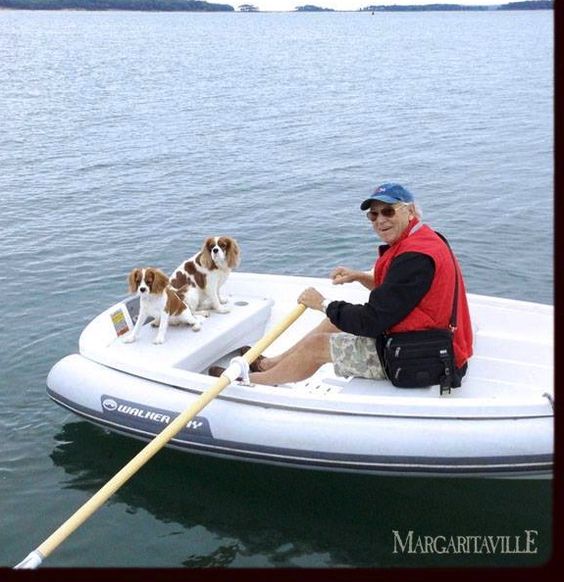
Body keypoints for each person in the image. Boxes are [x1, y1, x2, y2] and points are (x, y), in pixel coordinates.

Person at [212, 182, 473, 386]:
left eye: (388, 211)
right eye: (373, 215)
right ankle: (271, 364)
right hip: (429, 339)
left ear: (411, 211)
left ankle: (253, 381)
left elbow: (371, 321)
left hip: (421, 355)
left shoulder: (413, 258)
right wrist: (361, 277)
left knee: (318, 346)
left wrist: (323, 304)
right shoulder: (425, 240)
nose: (380, 220)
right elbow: (403, 294)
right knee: (336, 320)